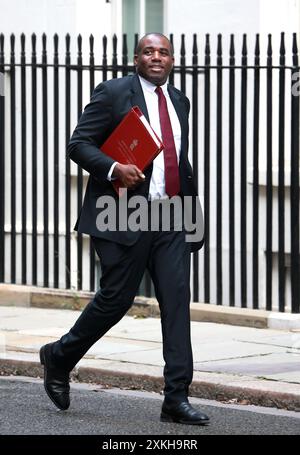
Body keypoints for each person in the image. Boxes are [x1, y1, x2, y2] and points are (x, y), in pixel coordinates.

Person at [40, 33, 209, 426]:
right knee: (116, 299)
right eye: (149, 51)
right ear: (136, 58)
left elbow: (177, 162)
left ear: (171, 60)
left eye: (163, 52)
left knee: (176, 301)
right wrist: (115, 168)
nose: (156, 57)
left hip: (169, 216)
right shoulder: (114, 93)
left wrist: (192, 214)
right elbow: (79, 144)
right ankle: (59, 356)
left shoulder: (179, 100)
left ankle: (176, 398)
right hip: (122, 211)